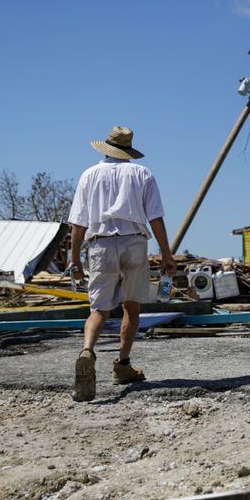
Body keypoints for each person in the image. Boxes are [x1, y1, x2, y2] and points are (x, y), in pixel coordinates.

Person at [68, 126, 176, 402]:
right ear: (128, 151)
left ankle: (87, 352)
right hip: (134, 242)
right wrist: (166, 253)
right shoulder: (142, 174)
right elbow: (156, 218)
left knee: (98, 309)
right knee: (132, 306)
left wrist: (74, 259)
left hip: (101, 244)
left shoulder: (89, 175)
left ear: (106, 148)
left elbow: (78, 223)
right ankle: (123, 365)